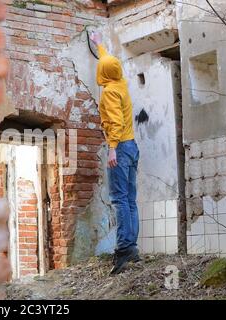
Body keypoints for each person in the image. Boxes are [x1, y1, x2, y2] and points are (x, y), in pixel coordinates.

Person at [90, 31, 141, 275]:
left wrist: (111, 149)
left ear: (102, 73)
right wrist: (99, 44)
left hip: (119, 146)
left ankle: (123, 250)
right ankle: (131, 247)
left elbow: (116, 122)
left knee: (119, 199)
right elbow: (109, 61)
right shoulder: (120, 81)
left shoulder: (110, 91)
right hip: (132, 146)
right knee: (130, 200)